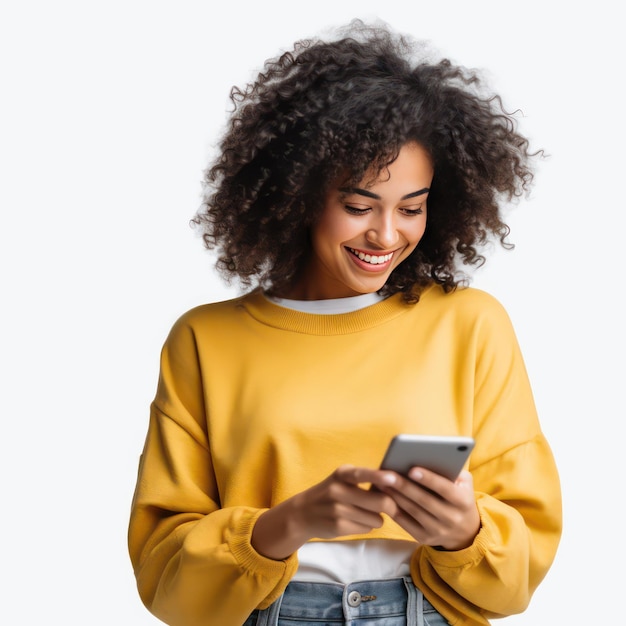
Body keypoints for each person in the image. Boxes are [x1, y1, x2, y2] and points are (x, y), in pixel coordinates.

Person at [128, 19, 562, 626]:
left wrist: (466, 532)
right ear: (298, 193)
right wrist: (285, 525)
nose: (386, 235)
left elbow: (519, 578)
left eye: (412, 207)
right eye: (358, 206)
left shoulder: (469, 325)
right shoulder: (206, 340)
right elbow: (166, 582)